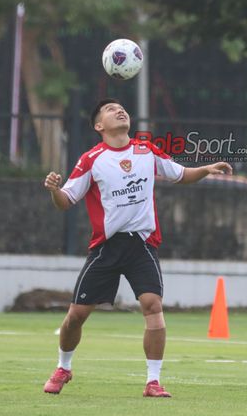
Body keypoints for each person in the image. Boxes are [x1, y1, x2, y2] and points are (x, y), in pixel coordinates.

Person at [42, 98, 232, 397]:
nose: (119, 110)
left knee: (153, 306)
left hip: (141, 244)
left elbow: (180, 174)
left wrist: (207, 168)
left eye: (121, 108)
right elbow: (66, 201)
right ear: (99, 125)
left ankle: (153, 381)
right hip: (106, 247)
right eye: (109, 109)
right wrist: (54, 190)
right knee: (77, 315)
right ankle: (63, 367)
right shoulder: (91, 159)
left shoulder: (146, 150)